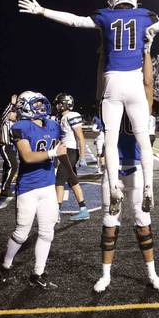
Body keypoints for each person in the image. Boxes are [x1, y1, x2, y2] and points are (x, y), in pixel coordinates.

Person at [19, 0, 159, 215]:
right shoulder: (144, 15)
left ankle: (113, 187)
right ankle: (149, 187)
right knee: (144, 140)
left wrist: (42, 11)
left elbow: (74, 21)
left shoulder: (105, 16)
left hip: (113, 82)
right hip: (135, 82)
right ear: (133, 1)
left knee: (110, 139)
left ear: (112, 2)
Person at [94, 113, 159, 293]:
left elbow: (148, 140)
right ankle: (105, 275)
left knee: (143, 222)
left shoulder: (140, 108)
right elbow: (102, 138)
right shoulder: (109, 105)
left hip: (137, 169)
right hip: (113, 169)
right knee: (109, 223)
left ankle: (152, 273)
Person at [0, 91, 64, 288]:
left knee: (47, 232)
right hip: (28, 188)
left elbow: (62, 150)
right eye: (36, 105)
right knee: (21, 233)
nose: (41, 108)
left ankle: (38, 274)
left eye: (41, 104)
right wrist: (52, 152)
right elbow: (27, 156)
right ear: (25, 107)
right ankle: (6, 265)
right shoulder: (21, 127)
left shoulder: (53, 125)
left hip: (48, 187)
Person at [53, 93, 90, 222]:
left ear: (64, 104)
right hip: (65, 151)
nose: (56, 105)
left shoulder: (72, 116)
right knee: (73, 181)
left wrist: (83, 156)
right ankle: (83, 209)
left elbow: (80, 137)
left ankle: (55, 213)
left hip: (70, 152)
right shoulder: (62, 118)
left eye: (59, 103)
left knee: (59, 181)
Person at [0, 95, 19, 197]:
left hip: (12, 148)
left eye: (14, 112)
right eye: (12, 112)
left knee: (7, 168)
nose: (13, 114)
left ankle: (4, 189)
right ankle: (6, 188)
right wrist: (12, 104)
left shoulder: (17, 123)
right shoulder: (5, 122)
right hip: (5, 146)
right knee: (13, 166)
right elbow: (5, 113)